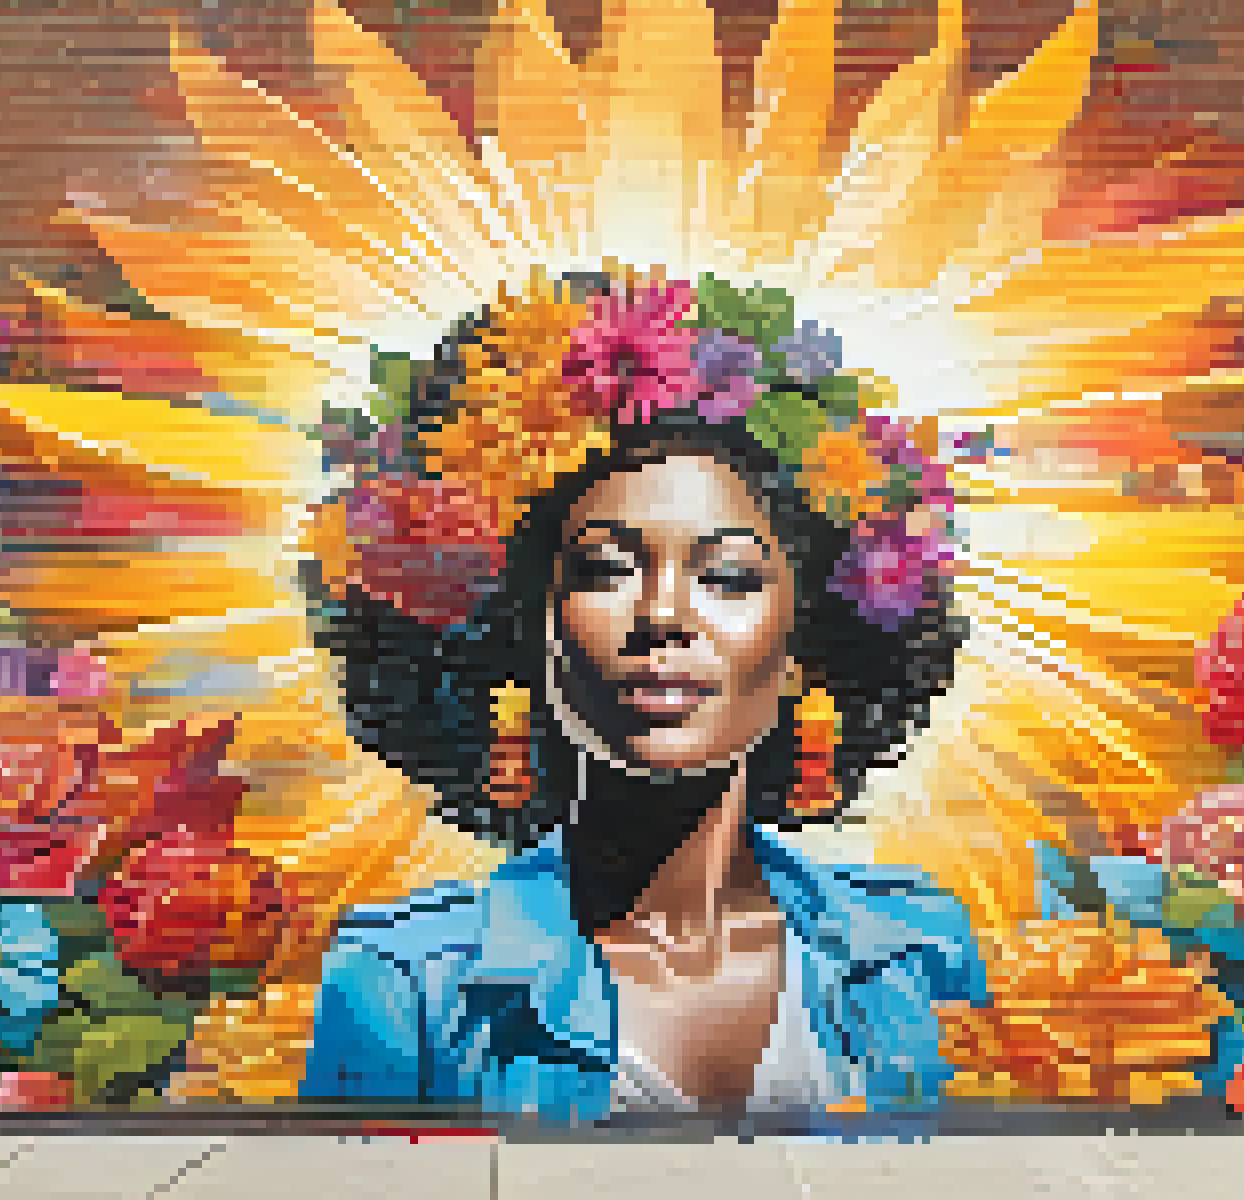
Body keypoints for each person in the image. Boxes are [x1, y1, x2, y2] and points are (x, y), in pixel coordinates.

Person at [299, 272, 985, 1120]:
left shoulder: (918, 956)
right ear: (523, 629)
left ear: (806, 643)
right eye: (605, 569)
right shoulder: (408, 987)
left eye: (728, 577)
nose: (662, 616)